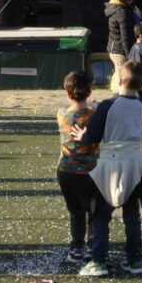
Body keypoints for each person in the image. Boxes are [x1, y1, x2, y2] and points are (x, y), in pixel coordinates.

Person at [84, 62, 142, 277]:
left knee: (101, 215)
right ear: (141, 84)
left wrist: (82, 134)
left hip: (111, 163)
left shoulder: (107, 105)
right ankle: (134, 261)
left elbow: (93, 136)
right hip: (136, 163)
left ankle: (98, 261)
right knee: (132, 215)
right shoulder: (140, 104)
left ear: (119, 80)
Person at [55, 69, 101, 265]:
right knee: (93, 211)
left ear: (68, 94)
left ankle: (76, 248)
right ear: (89, 91)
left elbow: (74, 111)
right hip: (89, 171)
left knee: (75, 211)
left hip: (66, 170)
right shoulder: (94, 115)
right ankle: (92, 246)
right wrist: (94, 106)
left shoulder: (62, 114)